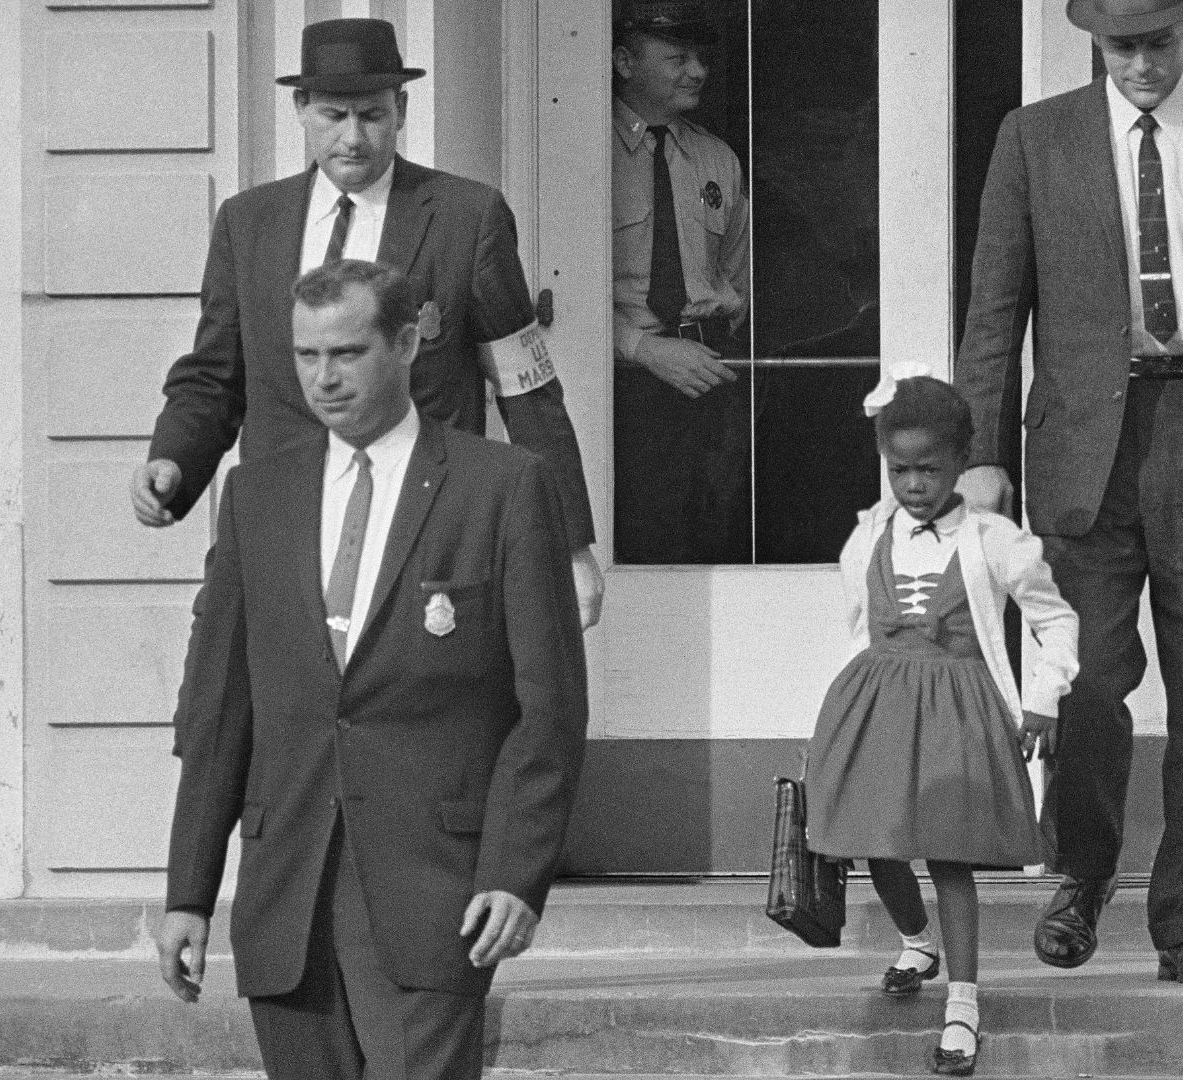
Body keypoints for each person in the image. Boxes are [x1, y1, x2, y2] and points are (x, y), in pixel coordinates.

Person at [952, 0, 1183, 985]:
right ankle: (1081, 873)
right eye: (1122, 48)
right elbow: (996, 304)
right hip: (1083, 452)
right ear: (1094, 44)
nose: (1141, 66)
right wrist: (982, 453)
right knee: (1083, 680)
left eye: (1158, 44)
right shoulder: (1034, 141)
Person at [153, 259, 590, 1080]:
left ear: (409, 340)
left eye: (348, 353)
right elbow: (220, 712)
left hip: (437, 888)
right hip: (287, 887)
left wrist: (514, 872)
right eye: (307, 356)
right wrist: (188, 891)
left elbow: (551, 708)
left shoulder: (502, 487)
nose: (324, 378)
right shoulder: (257, 496)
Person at [129, 17, 605, 629]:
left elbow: (527, 388)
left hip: (424, 531)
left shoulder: (467, 217)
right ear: (301, 108)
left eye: (372, 115)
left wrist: (570, 545)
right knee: (231, 709)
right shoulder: (248, 224)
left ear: (401, 109)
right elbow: (215, 377)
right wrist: (175, 460)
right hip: (281, 527)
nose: (352, 137)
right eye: (333, 115)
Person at [805, 371, 1078, 1078]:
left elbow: (1054, 618)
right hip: (879, 704)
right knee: (876, 841)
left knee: (950, 854)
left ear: (962, 464)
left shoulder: (994, 541)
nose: (915, 485)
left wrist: (1045, 696)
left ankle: (962, 1004)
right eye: (900, 470)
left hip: (958, 709)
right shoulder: (869, 537)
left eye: (930, 469)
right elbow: (858, 625)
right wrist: (836, 722)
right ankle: (916, 940)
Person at [610, 0, 754, 563]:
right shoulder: (587, 156)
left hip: (711, 379)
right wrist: (642, 348)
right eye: (677, 56)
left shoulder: (716, 158)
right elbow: (560, 289)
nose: (697, 71)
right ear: (625, 59)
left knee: (716, 545)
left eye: (699, 57)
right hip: (625, 384)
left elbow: (735, 277)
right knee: (643, 546)